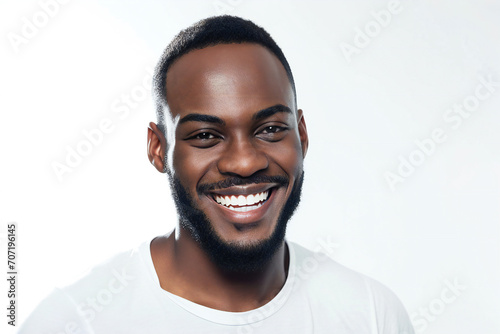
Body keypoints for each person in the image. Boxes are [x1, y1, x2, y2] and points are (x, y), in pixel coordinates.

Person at [19, 15, 415, 333]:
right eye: (206, 135)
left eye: (271, 129)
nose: (245, 163)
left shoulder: (371, 313)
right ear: (158, 149)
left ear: (303, 135)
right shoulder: (76, 321)